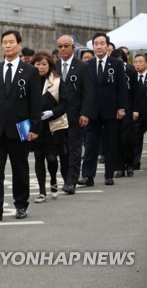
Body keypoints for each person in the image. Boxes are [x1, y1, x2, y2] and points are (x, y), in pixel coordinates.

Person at [0, 30, 41, 221]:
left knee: (20, 169)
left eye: (11, 42)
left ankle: (21, 205)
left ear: (19, 45)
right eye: (4, 42)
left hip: (21, 127)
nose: (7, 45)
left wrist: (34, 128)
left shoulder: (30, 71)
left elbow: (35, 102)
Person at [78, 33, 127, 186]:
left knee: (110, 144)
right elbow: (83, 90)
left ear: (107, 46)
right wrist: (83, 111)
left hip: (111, 110)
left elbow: (122, 88)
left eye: (102, 43)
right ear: (93, 47)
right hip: (92, 111)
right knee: (91, 145)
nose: (99, 46)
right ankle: (87, 176)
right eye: (96, 44)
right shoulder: (87, 64)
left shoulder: (116, 64)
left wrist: (122, 107)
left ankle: (109, 175)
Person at [55, 35, 92, 194]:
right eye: (60, 46)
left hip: (75, 115)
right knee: (62, 150)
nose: (63, 49)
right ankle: (66, 178)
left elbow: (88, 93)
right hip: (57, 117)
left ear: (72, 48)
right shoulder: (54, 65)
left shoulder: (82, 66)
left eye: (66, 46)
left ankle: (72, 181)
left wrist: (85, 113)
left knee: (74, 149)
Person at [30, 51, 69, 203]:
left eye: (44, 64)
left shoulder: (58, 81)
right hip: (36, 125)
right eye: (37, 64)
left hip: (53, 126)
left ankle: (53, 180)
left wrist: (51, 112)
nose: (40, 67)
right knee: (38, 157)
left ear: (50, 65)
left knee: (51, 158)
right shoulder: (28, 80)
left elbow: (66, 104)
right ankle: (41, 192)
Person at [110, 48, 140, 178]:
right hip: (112, 110)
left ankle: (130, 164)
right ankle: (119, 167)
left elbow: (136, 93)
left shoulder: (131, 71)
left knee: (127, 139)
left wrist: (135, 110)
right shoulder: (109, 72)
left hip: (128, 110)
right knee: (116, 140)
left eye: (120, 60)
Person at [133, 54, 147, 170]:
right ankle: (135, 161)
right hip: (137, 112)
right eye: (136, 62)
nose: (138, 64)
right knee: (137, 138)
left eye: (140, 61)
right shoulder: (133, 77)